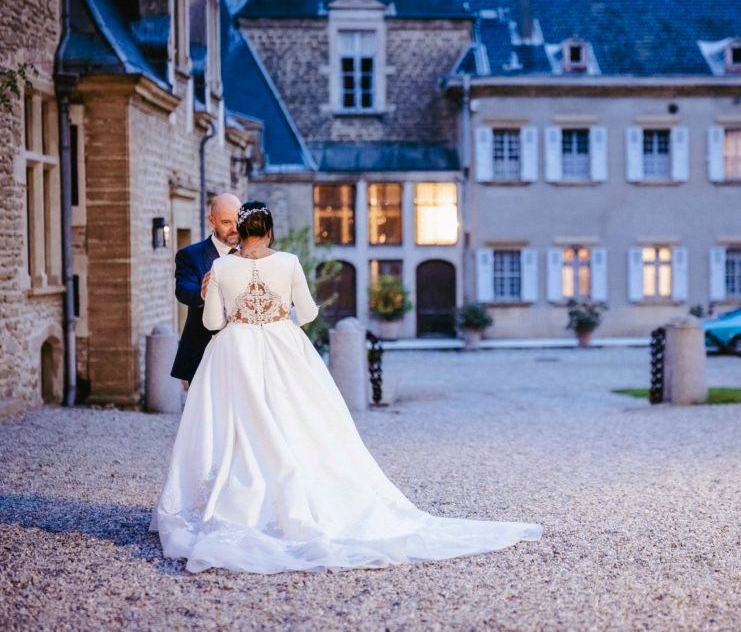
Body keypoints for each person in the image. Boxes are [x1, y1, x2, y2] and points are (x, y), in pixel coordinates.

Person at [151, 202, 541, 573]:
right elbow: (307, 313)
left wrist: (218, 296)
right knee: (297, 421)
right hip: (283, 347)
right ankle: (296, 498)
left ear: (242, 230)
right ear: (268, 231)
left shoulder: (220, 267)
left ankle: (236, 501)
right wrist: (275, 313)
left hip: (233, 352)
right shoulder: (288, 262)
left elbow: (215, 323)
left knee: (234, 428)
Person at [170, 193, 242, 383]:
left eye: (238, 221)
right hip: (204, 351)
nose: (235, 229)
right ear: (212, 221)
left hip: (245, 354)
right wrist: (203, 293)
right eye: (227, 223)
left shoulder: (254, 254)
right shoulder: (190, 255)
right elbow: (183, 290)